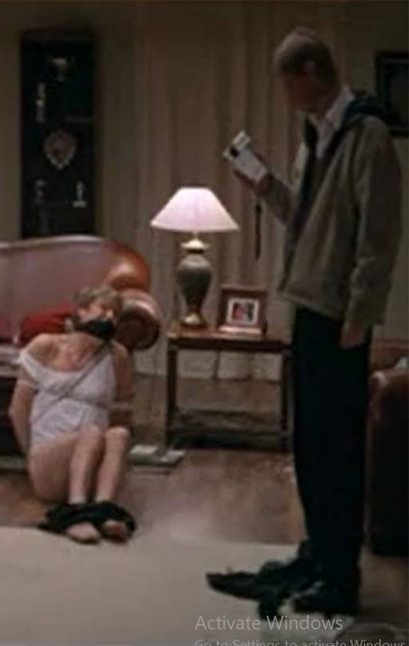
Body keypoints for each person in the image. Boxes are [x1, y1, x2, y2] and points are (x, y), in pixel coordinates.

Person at [228, 27, 402, 615]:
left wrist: (361, 312)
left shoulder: (368, 136)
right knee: (309, 445)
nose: (284, 96)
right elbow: (304, 219)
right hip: (307, 305)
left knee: (338, 449)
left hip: (340, 317)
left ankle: (340, 577)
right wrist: (264, 184)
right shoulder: (315, 137)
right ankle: (319, 553)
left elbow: (379, 235)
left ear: (309, 74)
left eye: (286, 83)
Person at [8, 285, 135, 545]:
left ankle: (104, 511)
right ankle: (75, 515)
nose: (109, 318)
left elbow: (123, 412)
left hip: (93, 452)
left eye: (115, 314)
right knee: (91, 433)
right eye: (103, 310)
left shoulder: (117, 356)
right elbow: (17, 409)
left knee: (119, 435)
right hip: (49, 455)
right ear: (82, 312)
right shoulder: (46, 346)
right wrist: (29, 453)